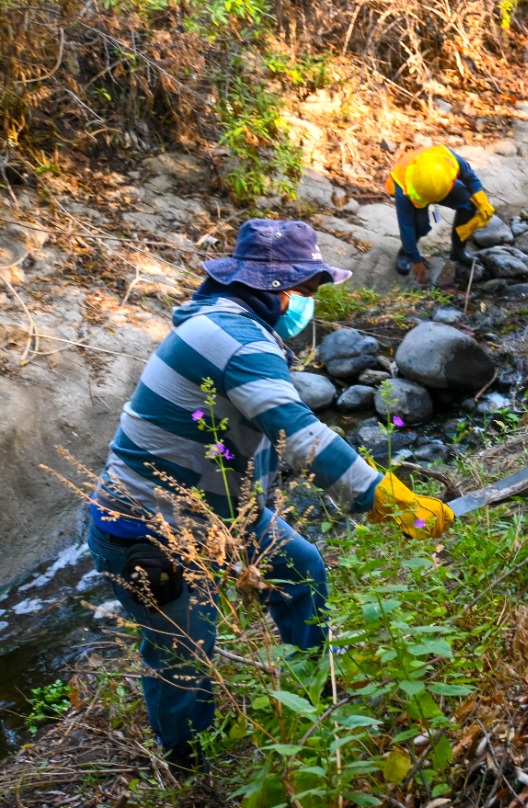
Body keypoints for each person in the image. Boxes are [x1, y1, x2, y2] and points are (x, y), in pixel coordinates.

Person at [86, 219, 455, 772]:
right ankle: (191, 774)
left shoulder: (223, 324)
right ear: (270, 289)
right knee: (183, 661)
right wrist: (387, 500)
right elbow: (299, 433)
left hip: (223, 517)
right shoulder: (235, 341)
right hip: (151, 530)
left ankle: (313, 696)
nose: (306, 303)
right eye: (303, 291)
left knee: (301, 571)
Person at [385, 145, 495, 283]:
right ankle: (405, 253)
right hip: (414, 191)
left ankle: (458, 251)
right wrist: (415, 259)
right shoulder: (404, 189)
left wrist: (482, 201)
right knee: (420, 226)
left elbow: (470, 178)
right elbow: (406, 225)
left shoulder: (449, 160)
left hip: (440, 185)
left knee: (469, 203)